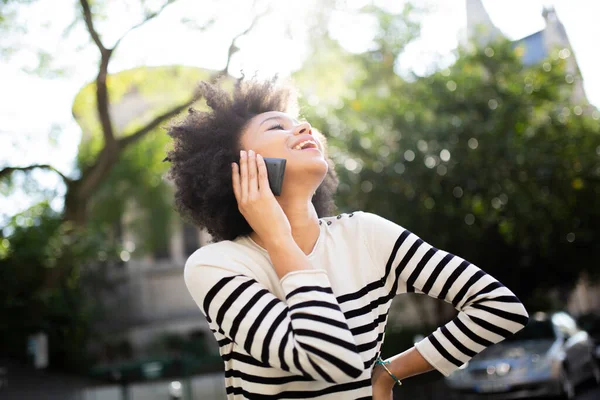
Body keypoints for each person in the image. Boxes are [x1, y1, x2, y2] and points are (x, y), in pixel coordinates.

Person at [165, 78, 529, 399]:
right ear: (240, 168)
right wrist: (277, 237)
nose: (304, 128)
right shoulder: (216, 265)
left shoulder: (365, 234)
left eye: (302, 123)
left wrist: (388, 374)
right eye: (277, 126)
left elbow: (500, 308)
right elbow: (332, 360)